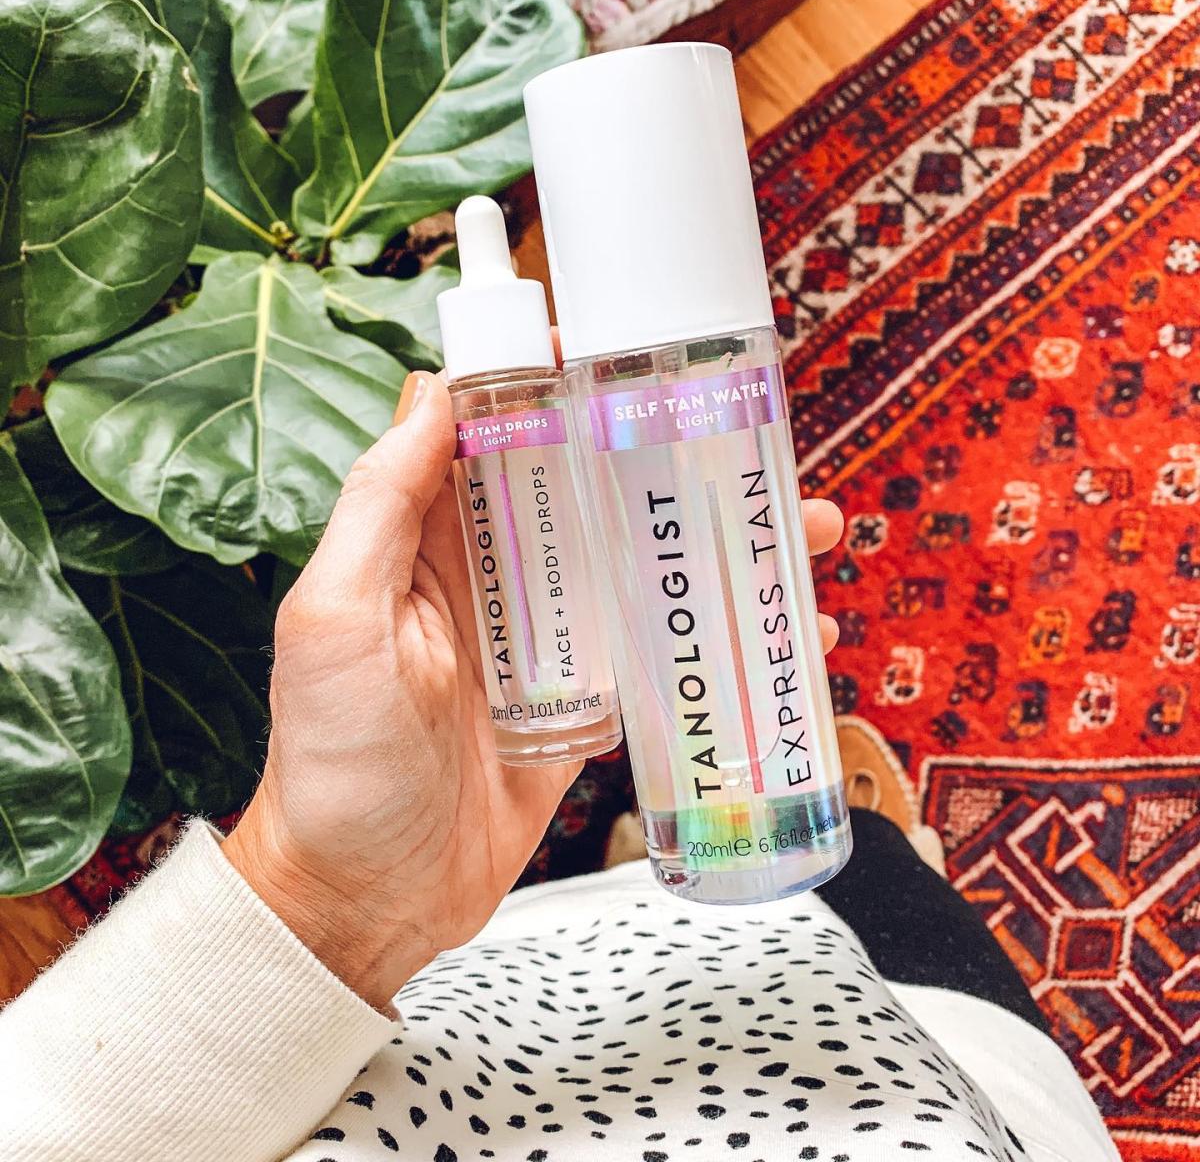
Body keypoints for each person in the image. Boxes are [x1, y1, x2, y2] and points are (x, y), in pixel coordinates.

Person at [0, 370, 1117, 1162]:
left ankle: (645, 870)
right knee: (871, 885)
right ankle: (847, 858)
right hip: (866, 1108)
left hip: (393, 1073)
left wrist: (333, 895)